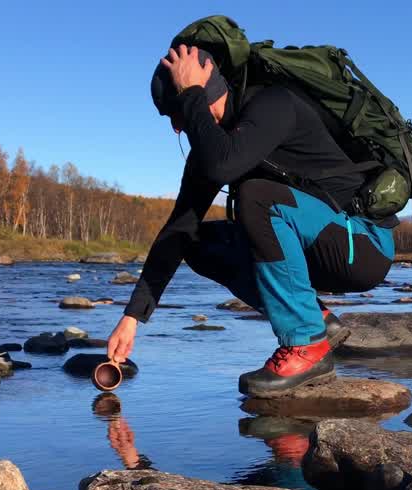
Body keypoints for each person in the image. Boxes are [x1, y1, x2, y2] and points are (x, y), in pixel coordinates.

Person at [106, 44, 397, 397]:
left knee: (257, 196)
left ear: (202, 92)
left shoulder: (274, 104)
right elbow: (178, 230)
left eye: (176, 114)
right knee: (197, 243)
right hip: (313, 243)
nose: (177, 128)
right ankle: (317, 322)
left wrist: (192, 93)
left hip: (361, 245)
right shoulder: (210, 149)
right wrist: (132, 317)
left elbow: (224, 165)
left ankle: (306, 345)